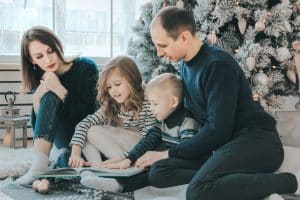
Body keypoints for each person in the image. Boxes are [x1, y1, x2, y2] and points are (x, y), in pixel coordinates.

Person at [146, 6, 300, 200]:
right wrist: (141, 155)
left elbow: (218, 130)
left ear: (183, 37)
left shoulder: (217, 64)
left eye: (163, 45)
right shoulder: (186, 64)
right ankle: (224, 179)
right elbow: (187, 116)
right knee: (159, 171)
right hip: (223, 147)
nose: (159, 53)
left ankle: (287, 181)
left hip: (256, 142)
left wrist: (170, 153)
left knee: (198, 191)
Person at [85, 72, 201, 192]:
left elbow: (187, 153)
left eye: (155, 104)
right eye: (150, 103)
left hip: (190, 162)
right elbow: (148, 141)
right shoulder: (162, 120)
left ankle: (120, 185)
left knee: (156, 170)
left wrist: (158, 159)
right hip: (172, 160)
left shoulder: (188, 122)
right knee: (145, 160)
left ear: (173, 102)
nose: (151, 108)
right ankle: (114, 181)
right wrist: (129, 158)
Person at [16, 26, 99, 185]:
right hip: (63, 139)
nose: (47, 60)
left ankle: (60, 160)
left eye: (50, 51)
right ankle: (40, 166)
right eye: (39, 56)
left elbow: (90, 114)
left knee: (73, 161)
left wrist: (59, 88)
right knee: (47, 94)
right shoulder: (43, 78)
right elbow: (39, 129)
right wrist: (37, 98)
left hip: (88, 136)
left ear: (57, 46)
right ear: (32, 60)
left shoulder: (86, 67)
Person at [68, 56, 157, 188]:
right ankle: (97, 171)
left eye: (117, 84)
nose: (113, 91)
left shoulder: (146, 102)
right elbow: (84, 124)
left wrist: (129, 157)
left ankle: (104, 171)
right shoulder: (112, 105)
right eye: (109, 87)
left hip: (137, 152)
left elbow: (149, 138)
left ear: (133, 79)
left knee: (92, 130)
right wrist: (75, 153)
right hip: (118, 152)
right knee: (88, 129)